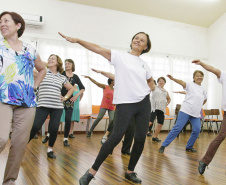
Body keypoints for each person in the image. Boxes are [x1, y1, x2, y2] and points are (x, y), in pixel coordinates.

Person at [59, 31, 154, 184]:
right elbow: (97, 48)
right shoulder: (120, 56)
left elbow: (151, 82)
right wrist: (78, 40)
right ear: (131, 41)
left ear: (145, 46)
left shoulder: (144, 64)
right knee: (115, 137)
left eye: (142, 40)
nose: (138, 40)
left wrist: (149, 90)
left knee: (141, 138)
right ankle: (91, 172)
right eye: (136, 38)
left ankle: (130, 171)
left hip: (143, 103)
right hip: (125, 103)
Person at [0, 11, 46, 185]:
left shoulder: (30, 48)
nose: (2, 24)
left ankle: (9, 180)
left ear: (18, 25)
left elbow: (42, 69)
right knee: (2, 137)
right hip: (3, 98)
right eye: (0, 22)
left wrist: (34, 85)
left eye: (6, 21)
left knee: (19, 144)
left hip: (27, 102)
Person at [29, 54, 74, 159]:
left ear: (58, 63)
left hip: (57, 107)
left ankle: (50, 149)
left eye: (53, 58)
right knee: (35, 126)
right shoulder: (43, 72)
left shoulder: (62, 77)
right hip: (43, 105)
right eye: (49, 58)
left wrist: (65, 97)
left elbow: (72, 89)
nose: (50, 59)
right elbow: (31, 70)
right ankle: (21, 147)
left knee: (53, 129)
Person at [159, 70, 207, 153]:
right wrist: (173, 78)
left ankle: (189, 146)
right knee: (177, 128)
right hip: (185, 110)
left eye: (201, 76)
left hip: (195, 114)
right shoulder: (190, 85)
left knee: (197, 130)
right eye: (197, 76)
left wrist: (199, 105)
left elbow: (205, 99)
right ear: (194, 78)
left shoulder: (203, 90)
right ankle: (163, 145)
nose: (199, 77)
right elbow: (182, 82)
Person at [191, 60, 226, 175]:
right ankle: (204, 161)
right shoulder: (224, 75)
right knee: (221, 136)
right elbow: (212, 69)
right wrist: (201, 63)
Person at [42, 59, 85, 146]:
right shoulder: (62, 74)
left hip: (69, 101)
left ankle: (65, 139)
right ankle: (48, 135)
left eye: (69, 63)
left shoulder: (75, 77)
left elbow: (82, 88)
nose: (67, 65)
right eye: (65, 64)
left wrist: (77, 96)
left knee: (68, 119)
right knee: (54, 119)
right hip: (59, 100)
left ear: (72, 65)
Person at [84, 75, 115, 141]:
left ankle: (108, 133)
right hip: (104, 105)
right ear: (111, 81)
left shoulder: (116, 89)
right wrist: (89, 77)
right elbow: (96, 82)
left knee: (112, 120)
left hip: (112, 106)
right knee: (99, 118)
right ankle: (90, 131)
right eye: (114, 80)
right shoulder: (105, 87)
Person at [149, 77, 171, 142]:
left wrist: (166, 104)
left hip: (161, 109)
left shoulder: (165, 91)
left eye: (163, 81)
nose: (161, 82)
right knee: (150, 122)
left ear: (165, 83)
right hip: (154, 107)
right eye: (160, 81)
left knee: (160, 124)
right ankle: (139, 134)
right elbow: (150, 86)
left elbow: (169, 99)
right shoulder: (154, 87)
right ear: (158, 82)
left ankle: (155, 137)